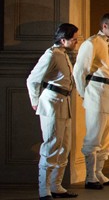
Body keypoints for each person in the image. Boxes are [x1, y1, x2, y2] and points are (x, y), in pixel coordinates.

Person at [27, 23, 81, 200]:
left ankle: (56, 186)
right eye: (74, 39)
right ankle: (44, 190)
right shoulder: (51, 54)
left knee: (64, 147)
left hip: (64, 102)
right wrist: (35, 101)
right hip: (51, 103)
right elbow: (32, 79)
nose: (76, 42)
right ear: (63, 40)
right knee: (51, 145)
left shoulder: (62, 54)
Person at [71, 13, 109, 189]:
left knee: (107, 137)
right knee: (94, 136)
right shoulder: (91, 43)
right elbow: (79, 70)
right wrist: (84, 93)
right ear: (104, 26)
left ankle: (99, 172)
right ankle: (90, 176)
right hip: (96, 92)